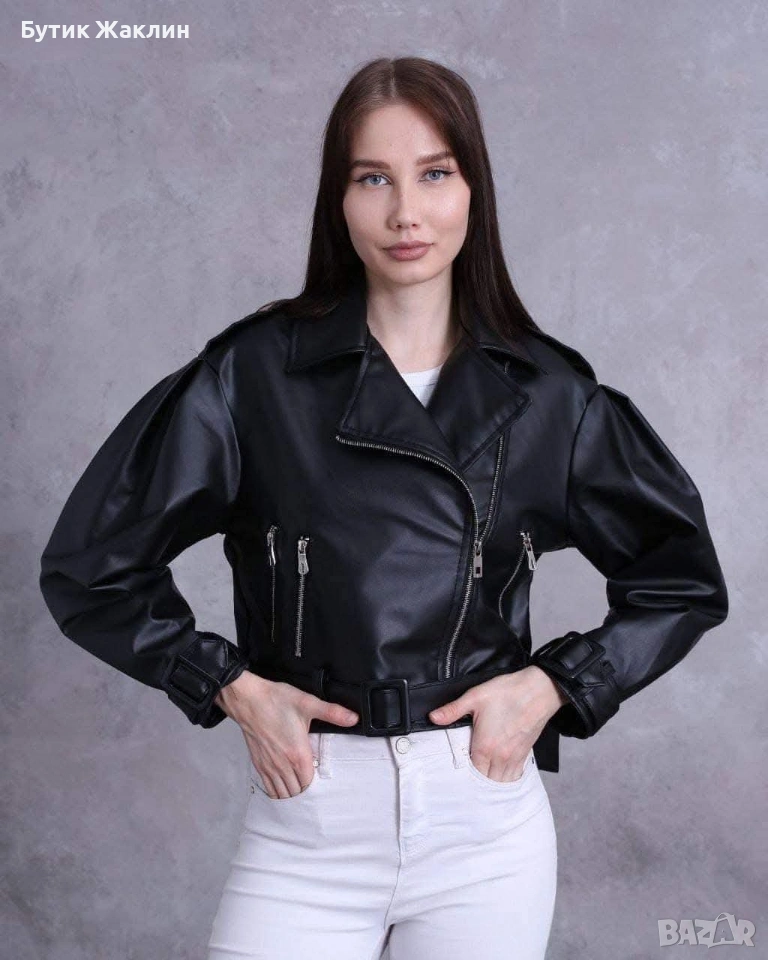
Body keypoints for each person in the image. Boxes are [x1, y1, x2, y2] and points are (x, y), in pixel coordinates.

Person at [39, 56, 729, 960]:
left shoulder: (550, 395)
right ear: (339, 199)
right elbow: (91, 564)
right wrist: (230, 687)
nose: (406, 213)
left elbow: (681, 580)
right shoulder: (254, 378)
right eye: (374, 179)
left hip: (485, 825)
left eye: (434, 174)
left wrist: (553, 686)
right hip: (310, 818)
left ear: (473, 191)